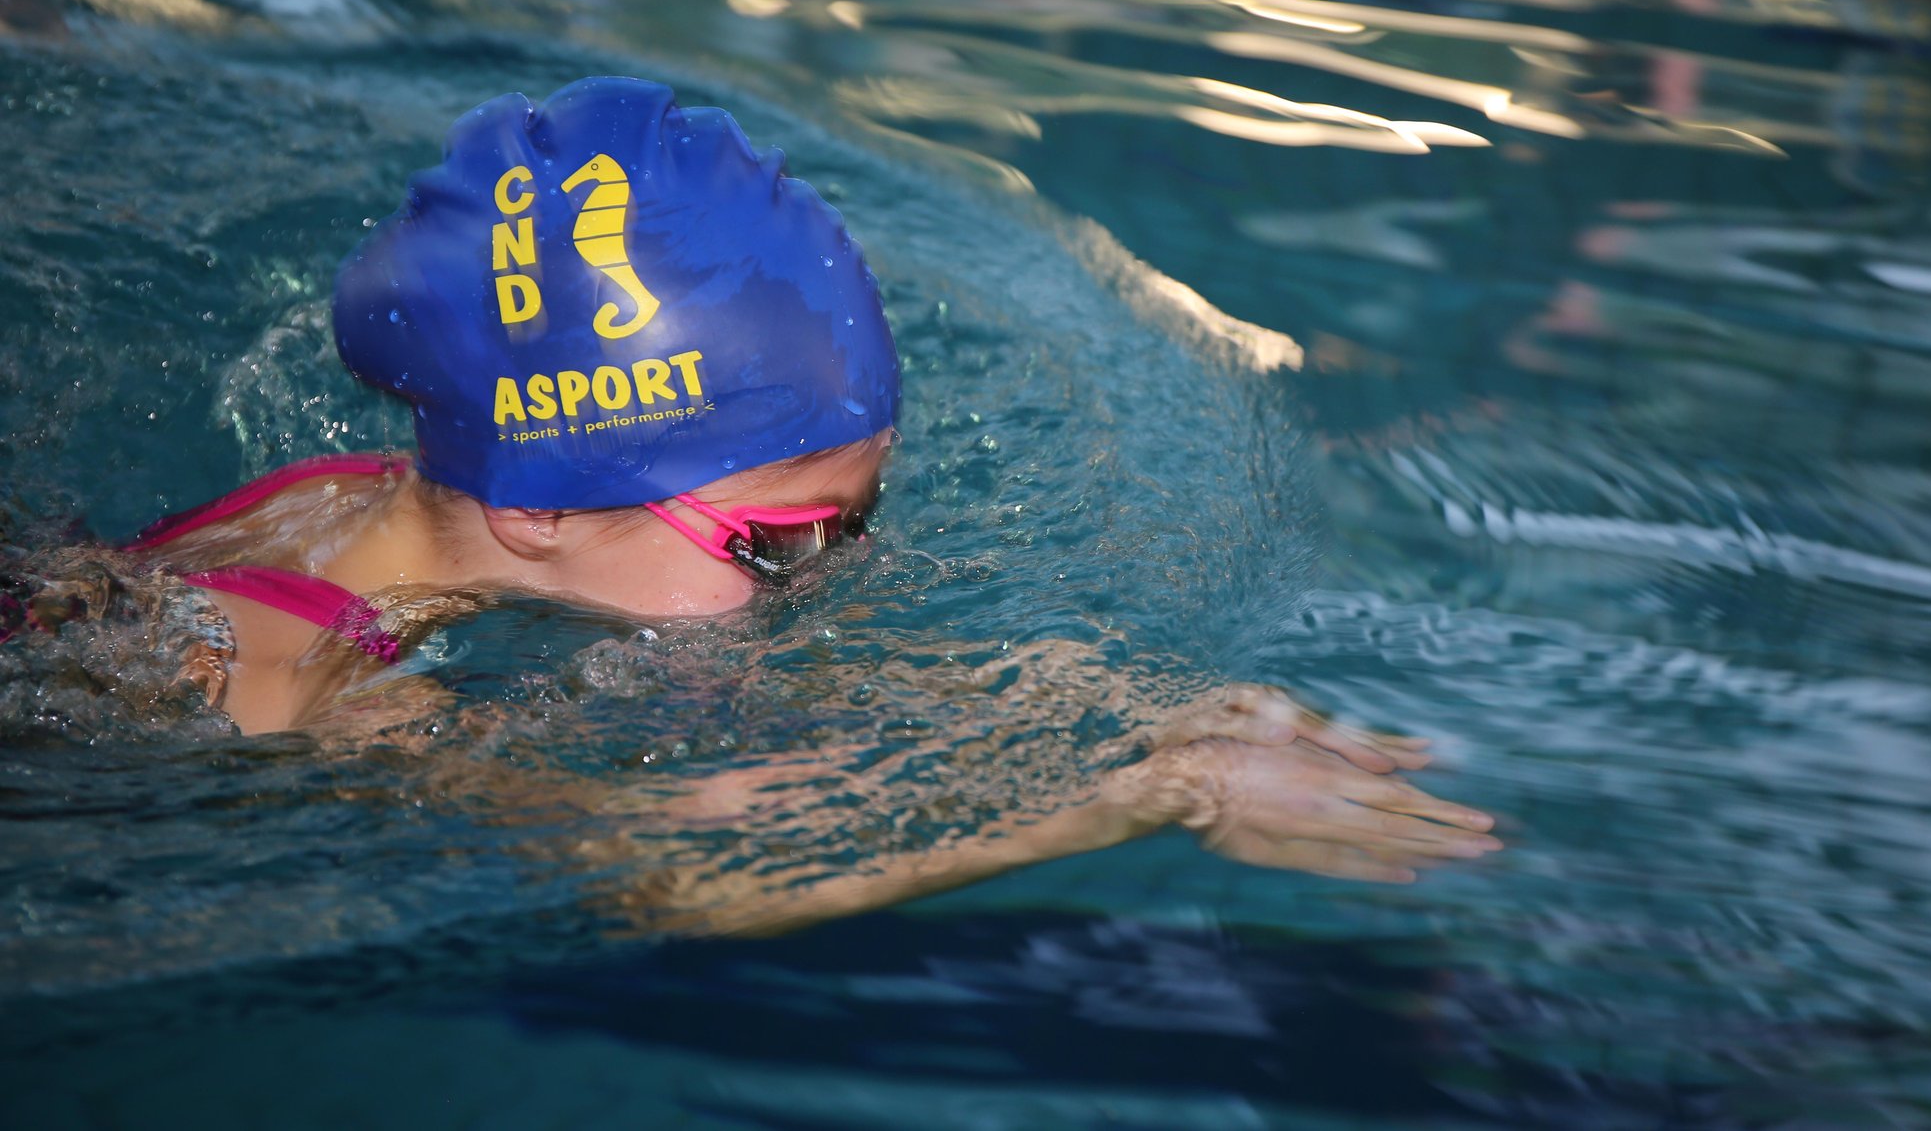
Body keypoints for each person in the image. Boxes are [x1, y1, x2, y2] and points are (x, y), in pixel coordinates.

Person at [2, 77, 1499, 930]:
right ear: (540, 505)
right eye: (790, 547)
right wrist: (1151, 791)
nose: (837, 579)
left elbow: (768, 679)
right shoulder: (313, 691)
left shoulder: (361, 513)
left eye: (858, 521)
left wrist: (1111, 705)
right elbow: (674, 867)